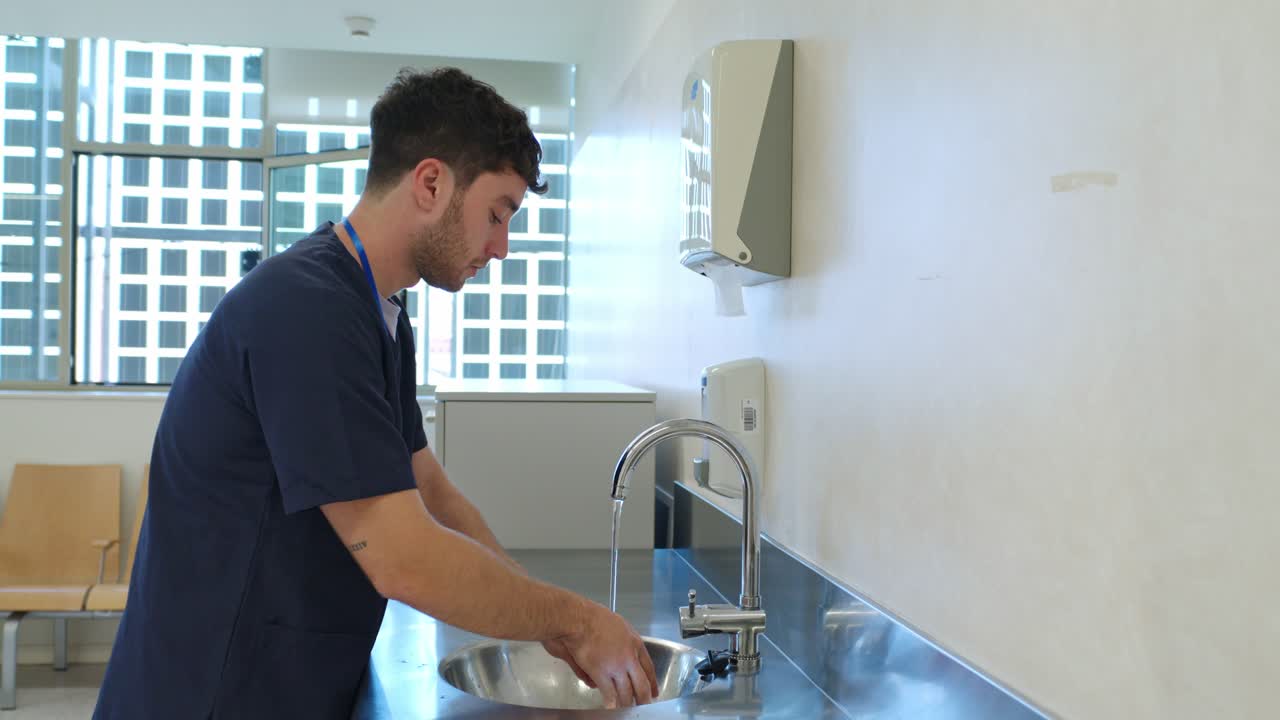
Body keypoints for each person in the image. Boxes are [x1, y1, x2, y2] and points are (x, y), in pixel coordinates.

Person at [93, 67, 658, 719]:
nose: (501, 248)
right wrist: (577, 622)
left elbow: (429, 488)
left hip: (286, 680)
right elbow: (404, 560)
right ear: (430, 182)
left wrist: (548, 620)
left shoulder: (379, 313)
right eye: (496, 215)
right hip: (213, 693)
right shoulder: (305, 309)